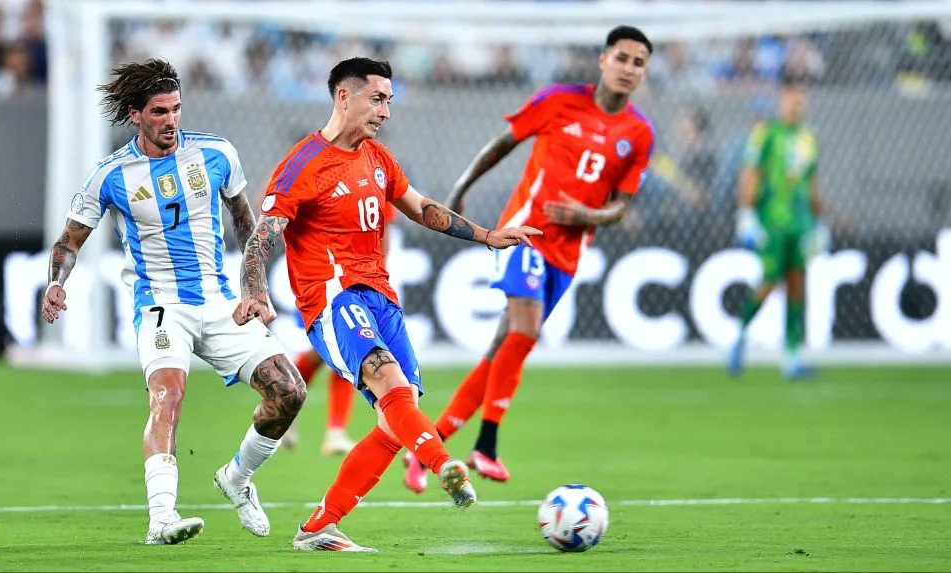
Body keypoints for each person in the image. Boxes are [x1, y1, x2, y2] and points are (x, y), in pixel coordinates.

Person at [235, 57, 540, 552]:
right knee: (389, 382)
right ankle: (445, 466)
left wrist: (487, 235)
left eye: (389, 101)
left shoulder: (378, 158)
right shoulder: (303, 163)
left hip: (381, 298)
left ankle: (318, 528)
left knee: (397, 418)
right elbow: (262, 235)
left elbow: (422, 209)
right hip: (332, 298)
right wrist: (254, 291)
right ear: (343, 97)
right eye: (377, 99)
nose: (385, 112)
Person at [40, 58, 306, 546]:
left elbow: (248, 225)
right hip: (160, 303)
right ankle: (161, 519)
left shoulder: (217, 154)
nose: (171, 120)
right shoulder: (110, 175)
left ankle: (237, 478)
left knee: (290, 392)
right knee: (168, 395)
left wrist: (254, 289)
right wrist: (57, 282)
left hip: (219, 299)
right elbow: (68, 242)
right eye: (159, 111)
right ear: (135, 113)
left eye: (177, 109)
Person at [403, 25, 657, 492]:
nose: (628, 68)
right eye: (622, 58)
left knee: (502, 350)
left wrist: (589, 214)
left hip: (568, 252)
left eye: (639, 63)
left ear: (644, 72)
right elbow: (503, 144)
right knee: (525, 329)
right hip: (524, 233)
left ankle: (426, 449)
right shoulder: (559, 100)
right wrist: (459, 191)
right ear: (603, 60)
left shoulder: (639, 134)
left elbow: (623, 205)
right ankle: (486, 446)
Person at [728, 74, 829, 380]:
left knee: (798, 284)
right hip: (772, 221)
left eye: (801, 97)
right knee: (770, 281)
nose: (797, 103)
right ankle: (739, 335)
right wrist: (746, 213)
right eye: (792, 97)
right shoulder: (766, 133)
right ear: (781, 100)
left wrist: (819, 220)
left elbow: (811, 183)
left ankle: (792, 356)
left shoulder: (809, 138)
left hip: (801, 224)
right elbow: (750, 173)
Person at [284, 204, 398, 456]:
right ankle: (285, 404)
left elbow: (382, 229)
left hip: (360, 279)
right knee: (320, 352)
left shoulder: (376, 171)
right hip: (322, 278)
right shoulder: (308, 171)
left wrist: (379, 275)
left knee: (354, 349)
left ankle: (335, 431)